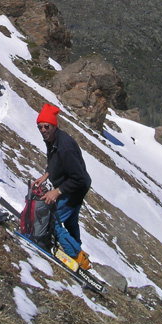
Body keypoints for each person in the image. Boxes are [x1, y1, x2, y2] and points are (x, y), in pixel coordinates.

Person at [33, 103, 92, 270]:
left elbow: (78, 177)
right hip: (74, 186)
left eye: (46, 126)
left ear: (54, 126)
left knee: (54, 221)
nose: (43, 130)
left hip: (75, 188)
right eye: (40, 127)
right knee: (71, 220)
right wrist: (47, 174)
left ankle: (75, 255)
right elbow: (54, 161)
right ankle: (79, 253)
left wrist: (57, 191)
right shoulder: (52, 140)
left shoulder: (65, 147)